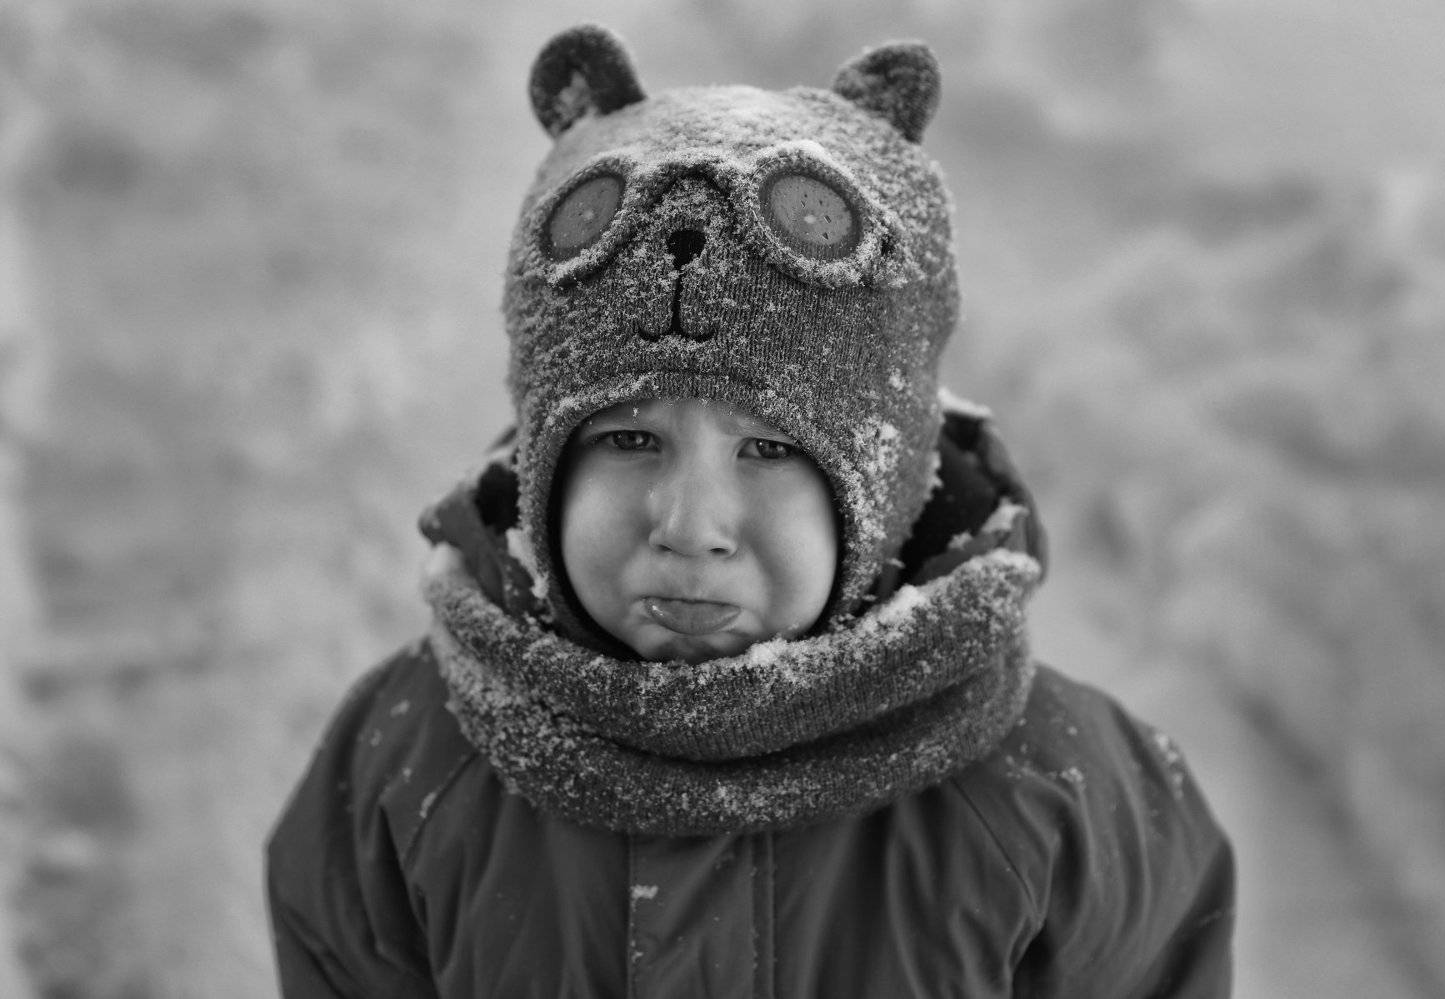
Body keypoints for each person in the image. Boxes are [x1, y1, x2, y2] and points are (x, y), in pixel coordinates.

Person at [265, 23, 1234, 998]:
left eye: (769, 449)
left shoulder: (1059, 800)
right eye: (628, 439)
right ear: (544, 466)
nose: (690, 526)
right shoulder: (404, 765)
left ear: (883, 484)